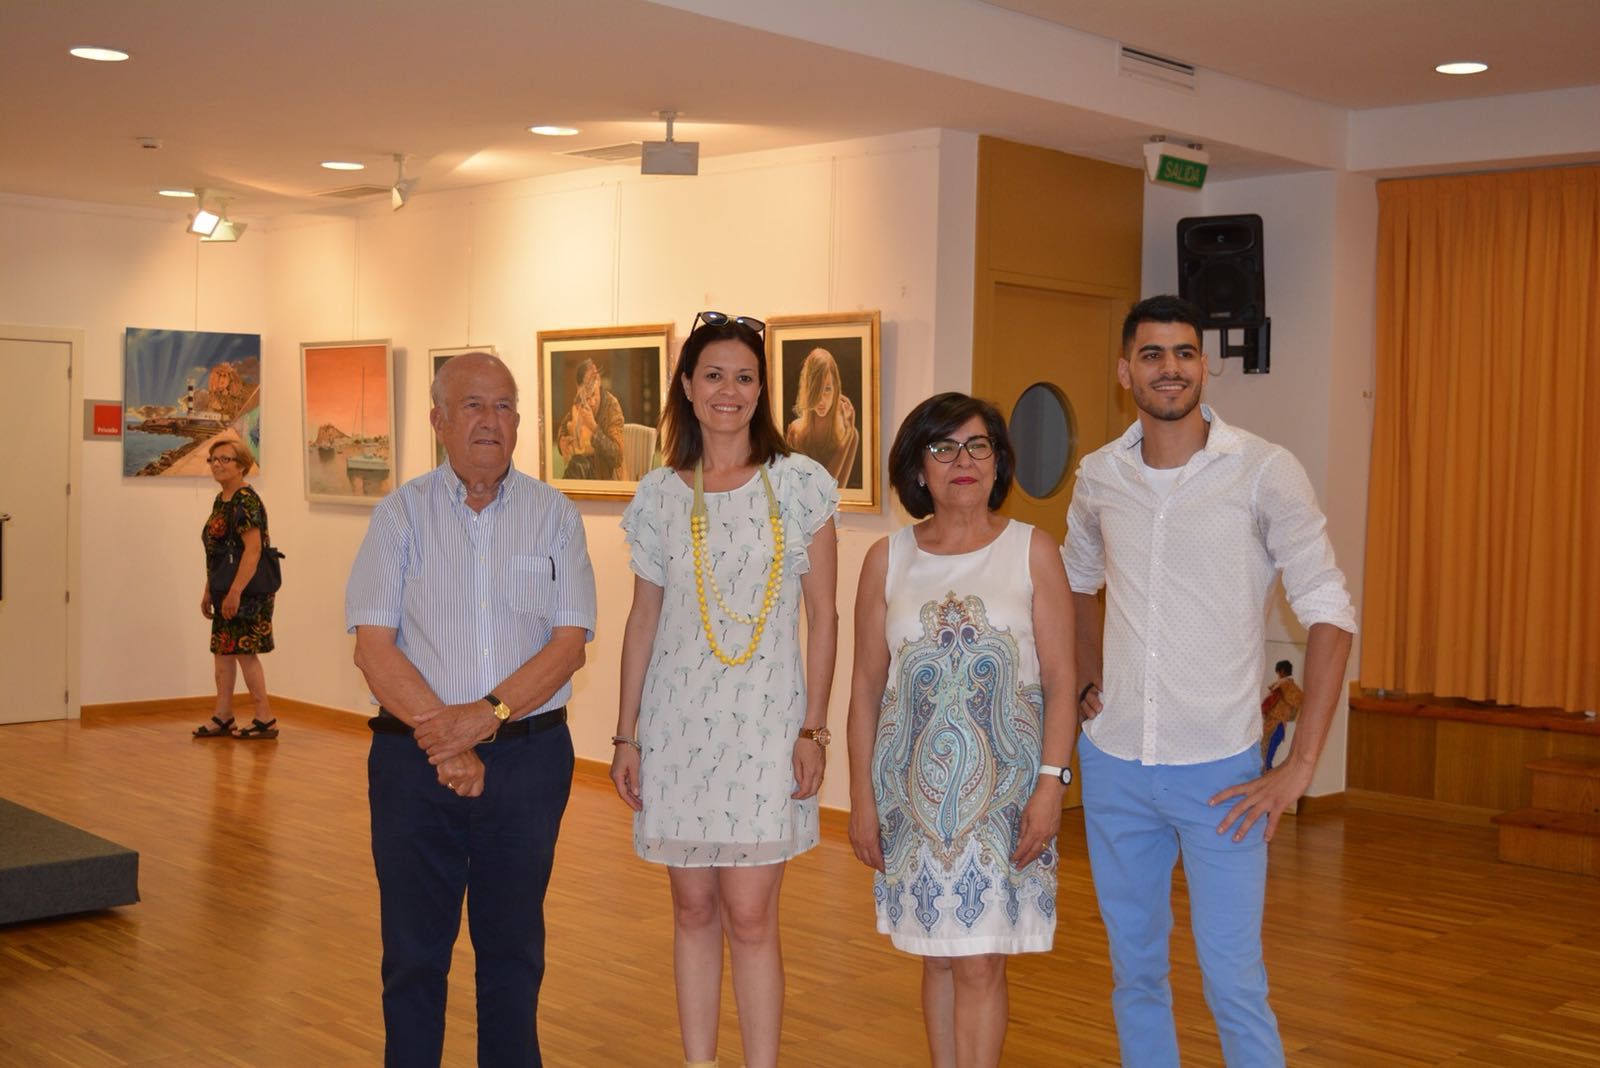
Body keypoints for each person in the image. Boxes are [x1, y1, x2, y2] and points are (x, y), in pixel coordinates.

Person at [1063, 295, 1356, 1067]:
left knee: (1233, 979)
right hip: (1118, 765)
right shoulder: (1099, 477)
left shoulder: (1262, 471)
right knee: (1136, 975)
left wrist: (1299, 768)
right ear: (1125, 369)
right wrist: (1090, 676)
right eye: (1153, 354)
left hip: (1223, 775)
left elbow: (1331, 611)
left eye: (1185, 353)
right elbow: (1077, 582)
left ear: (1205, 365)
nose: (1171, 368)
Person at [345, 351, 596, 1067]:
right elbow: (373, 645)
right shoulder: (399, 515)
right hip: (412, 766)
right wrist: (447, 744)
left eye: (506, 406)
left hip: (527, 761)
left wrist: (485, 718)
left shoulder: (555, 516)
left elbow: (569, 644)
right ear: (438, 421)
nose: (492, 421)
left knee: (515, 956)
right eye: (474, 405)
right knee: (413, 957)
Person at [610, 311, 839, 1068]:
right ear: (686, 384)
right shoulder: (658, 496)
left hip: (769, 732)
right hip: (678, 731)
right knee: (692, 907)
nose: (729, 391)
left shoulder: (801, 486)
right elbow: (643, 621)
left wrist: (814, 730)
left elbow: (824, 616)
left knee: (750, 915)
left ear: (763, 388)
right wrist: (626, 735)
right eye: (713, 374)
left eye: (744, 376)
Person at [846, 392, 1076, 1068]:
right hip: (911, 798)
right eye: (942, 448)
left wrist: (1052, 785)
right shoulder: (886, 560)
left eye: (977, 446)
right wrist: (862, 797)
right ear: (919, 469)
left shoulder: (1034, 551)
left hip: (1006, 794)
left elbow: (1062, 681)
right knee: (938, 960)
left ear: (999, 461)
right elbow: (864, 688)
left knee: (980, 964)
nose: (962, 461)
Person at [193, 436, 278, 740]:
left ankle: (264, 718)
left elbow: (252, 550)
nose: (217, 464)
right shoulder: (222, 500)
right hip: (224, 588)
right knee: (223, 653)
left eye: (225, 459)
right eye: (214, 459)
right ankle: (223, 714)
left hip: (247, 591)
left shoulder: (246, 500)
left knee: (245, 652)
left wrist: (235, 592)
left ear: (242, 465)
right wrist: (209, 589)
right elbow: (218, 552)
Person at [784, 346, 859, 486]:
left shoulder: (850, 435)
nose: (821, 400)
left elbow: (834, 490)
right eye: (816, 390)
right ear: (808, 390)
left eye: (827, 389)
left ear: (836, 389)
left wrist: (848, 436)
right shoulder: (795, 431)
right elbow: (797, 488)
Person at [556, 356, 625, 480]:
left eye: (593, 394)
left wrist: (593, 426)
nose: (591, 402)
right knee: (576, 465)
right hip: (583, 470)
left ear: (598, 382)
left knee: (576, 466)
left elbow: (617, 457)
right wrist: (562, 440)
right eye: (585, 397)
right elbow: (564, 425)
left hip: (606, 475)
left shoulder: (612, 406)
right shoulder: (580, 400)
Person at [1260, 659, 1303, 771]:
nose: (1278, 676)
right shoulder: (1296, 690)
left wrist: (1262, 712)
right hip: (1281, 727)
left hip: (1272, 724)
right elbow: (1293, 714)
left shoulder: (1281, 686)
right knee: (1268, 757)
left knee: (1264, 757)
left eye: (1278, 673)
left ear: (1282, 671)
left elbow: (1268, 703)